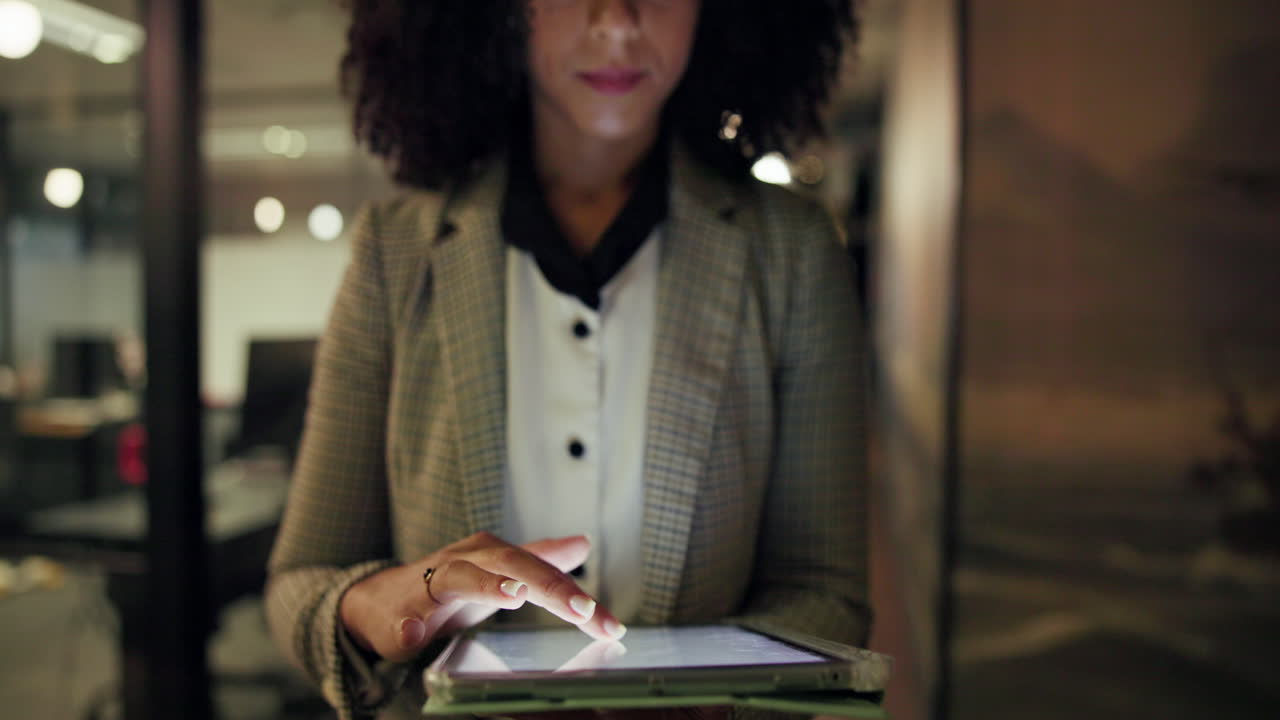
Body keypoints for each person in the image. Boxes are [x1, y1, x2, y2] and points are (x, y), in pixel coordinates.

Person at [265, 1, 869, 718]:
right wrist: (386, 606)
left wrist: (706, 697)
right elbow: (301, 582)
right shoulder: (393, 254)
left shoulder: (793, 254)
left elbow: (826, 591)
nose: (616, 20)